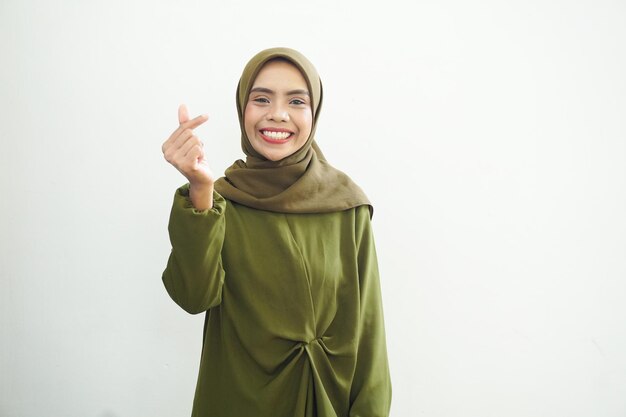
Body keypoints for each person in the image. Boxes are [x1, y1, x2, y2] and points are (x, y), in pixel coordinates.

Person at [161, 47, 391, 417]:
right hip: (238, 400)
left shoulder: (345, 203)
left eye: (296, 101)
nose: (277, 114)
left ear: (313, 113)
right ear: (242, 108)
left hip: (328, 400)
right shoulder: (221, 200)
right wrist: (199, 189)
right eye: (261, 98)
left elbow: (368, 331)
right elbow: (193, 296)